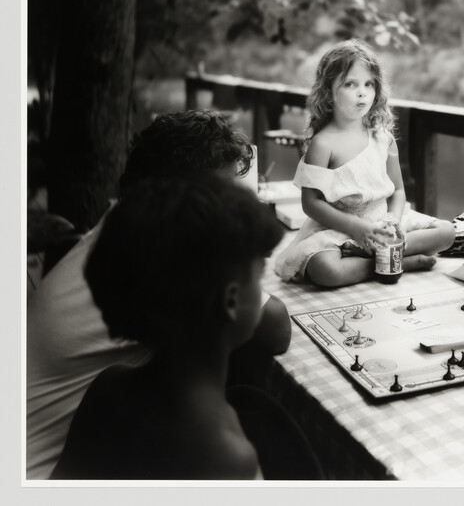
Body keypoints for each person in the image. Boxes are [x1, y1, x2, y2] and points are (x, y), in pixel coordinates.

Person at [27, 110, 292, 480]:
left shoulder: (123, 236)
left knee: (252, 405)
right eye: (223, 198)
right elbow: (278, 329)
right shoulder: (225, 455)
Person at [275, 39, 455, 287]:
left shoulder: (383, 138)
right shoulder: (323, 144)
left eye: (369, 84)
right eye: (350, 84)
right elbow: (311, 203)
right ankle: (385, 264)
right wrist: (357, 228)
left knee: (447, 232)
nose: (362, 92)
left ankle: (389, 254)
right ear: (328, 91)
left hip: (383, 221)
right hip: (341, 226)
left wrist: (393, 220)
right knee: (325, 269)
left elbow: (398, 191)